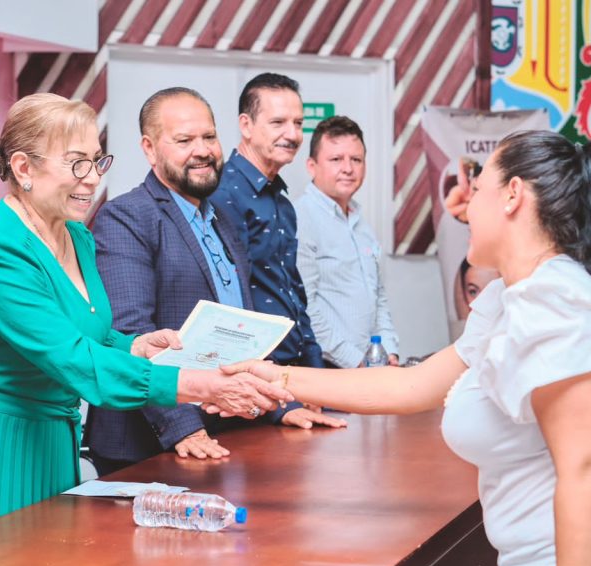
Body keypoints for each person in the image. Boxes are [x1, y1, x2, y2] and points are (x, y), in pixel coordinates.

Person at [219, 131, 591, 566]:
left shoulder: (552, 302)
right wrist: (277, 377)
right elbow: (410, 386)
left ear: (513, 195)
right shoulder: (512, 296)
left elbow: (587, 472)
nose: (463, 202)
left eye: (477, 184)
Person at [0, 93, 292, 544]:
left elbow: (88, 333)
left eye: (97, 161)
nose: (93, 178)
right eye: (77, 163)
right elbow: (73, 359)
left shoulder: (76, 235)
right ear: (23, 168)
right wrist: (199, 385)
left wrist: (133, 345)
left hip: (52, 441)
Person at [85, 87, 343, 474]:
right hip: (151, 446)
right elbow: (131, 334)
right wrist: (184, 428)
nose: (203, 150)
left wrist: (280, 407)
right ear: (150, 149)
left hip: (224, 430)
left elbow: (242, 328)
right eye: (184, 140)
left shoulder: (219, 218)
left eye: (209, 136)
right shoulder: (127, 217)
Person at [210, 73, 324, 369]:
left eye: (298, 123)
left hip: (293, 368)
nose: (293, 134)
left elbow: (293, 291)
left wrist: (313, 364)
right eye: (278, 122)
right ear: (246, 125)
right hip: (254, 370)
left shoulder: (281, 202)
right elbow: (231, 296)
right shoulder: (223, 193)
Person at [293, 115, 400, 368]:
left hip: (370, 366)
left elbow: (378, 297)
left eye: (356, 160)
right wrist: (355, 361)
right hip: (328, 367)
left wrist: (388, 351)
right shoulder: (300, 219)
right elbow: (304, 307)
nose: (348, 169)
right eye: (336, 159)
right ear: (312, 166)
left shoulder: (361, 225)